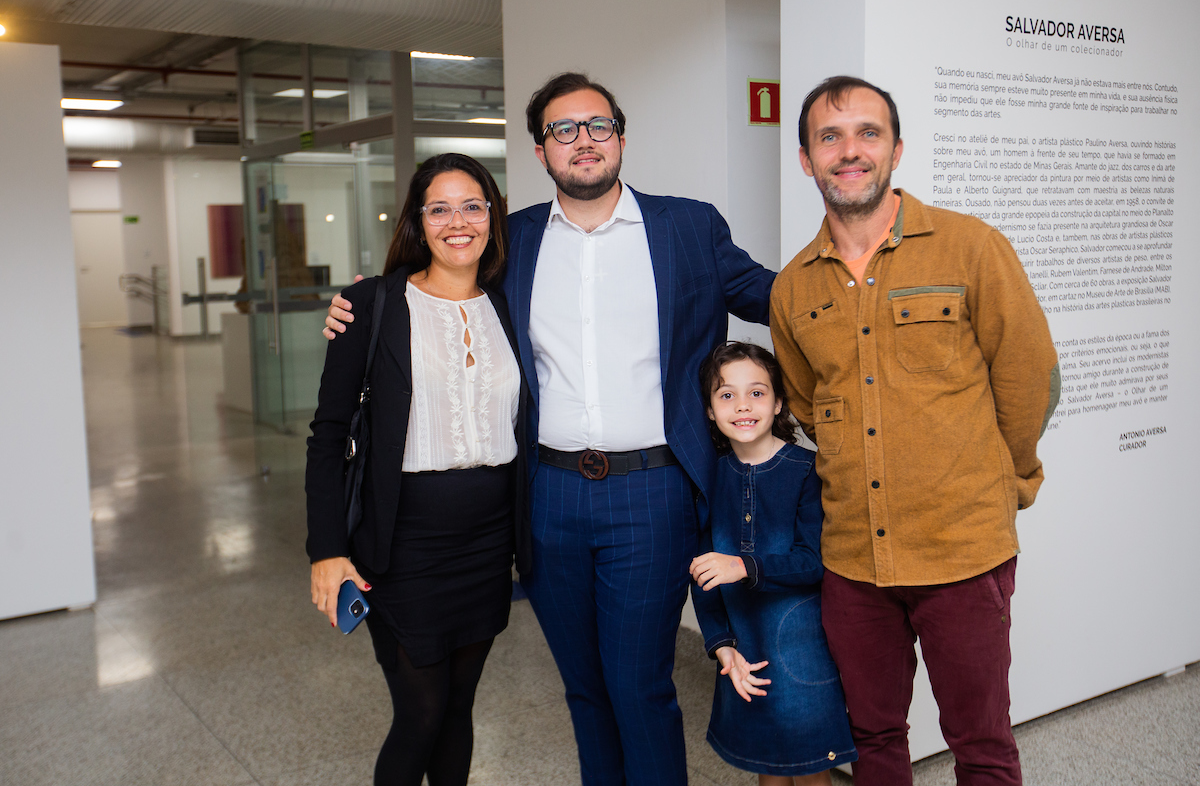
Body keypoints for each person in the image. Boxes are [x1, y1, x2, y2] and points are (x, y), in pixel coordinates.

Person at [325, 72, 776, 786]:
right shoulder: (518, 238)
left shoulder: (689, 226)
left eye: (597, 125)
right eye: (563, 130)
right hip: (545, 498)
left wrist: (854, 284)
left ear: (621, 138)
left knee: (640, 688)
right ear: (541, 151)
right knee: (584, 690)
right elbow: (441, 279)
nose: (583, 141)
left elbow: (776, 298)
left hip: (651, 492)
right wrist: (353, 305)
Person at [770, 76, 1060, 786]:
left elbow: (1029, 377)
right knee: (873, 738)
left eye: (868, 133)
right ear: (806, 159)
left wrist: (1006, 482)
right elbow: (807, 404)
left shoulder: (970, 247)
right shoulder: (792, 288)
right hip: (853, 563)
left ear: (896, 149)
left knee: (981, 743)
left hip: (964, 551)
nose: (850, 151)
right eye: (829, 137)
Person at [306, 153, 532, 786]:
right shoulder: (370, 304)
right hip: (403, 542)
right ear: (417, 220)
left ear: (492, 216)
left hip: (489, 542)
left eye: (472, 205)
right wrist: (326, 549)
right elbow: (327, 436)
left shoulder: (511, 303)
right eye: (440, 208)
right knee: (420, 712)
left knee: (458, 708)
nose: (457, 221)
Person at [689, 341, 856, 786]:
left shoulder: (807, 470)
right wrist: (723, 647)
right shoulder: (708, 477)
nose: (742, 406)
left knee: (810, 767)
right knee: (768, 766)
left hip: (804, 654)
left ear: (779, 401)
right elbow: (703, 573)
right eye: (726, 395)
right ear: (708, 409)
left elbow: (813, 562)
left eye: (757, 393)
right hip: (744, 653)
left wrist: (743, 566)